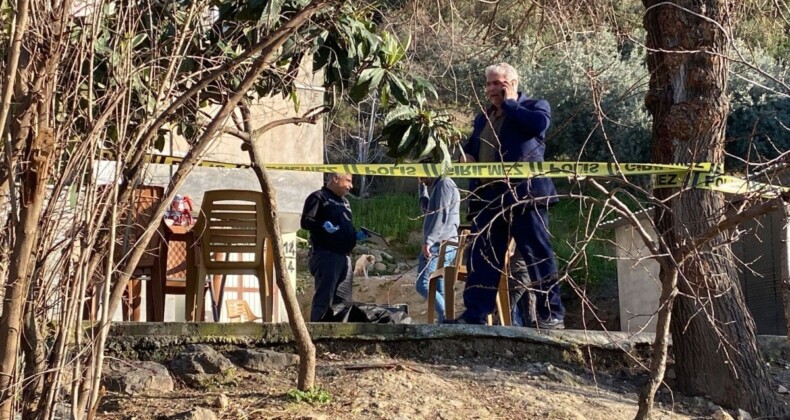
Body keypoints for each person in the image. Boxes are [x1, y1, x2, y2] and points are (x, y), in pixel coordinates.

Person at [454, 62, 565, 328]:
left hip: (525, 196)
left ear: (513, 83)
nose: (491, 89)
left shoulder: (535, 107)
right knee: (482, 258)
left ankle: (551, 314)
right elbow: (471, 148)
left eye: (498, 83)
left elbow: (538, 126)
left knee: (537, 255)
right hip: (488, 198)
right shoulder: (483, 117)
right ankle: (475, 315)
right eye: (489, 83)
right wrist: (466, 156)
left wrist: (511, 104)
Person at [300, 173, 366, 322]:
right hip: (326, 255)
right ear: (336, 179)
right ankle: (316, 334)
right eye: (348, 181)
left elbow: (344, 227)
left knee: (343, 302)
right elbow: (306, 222)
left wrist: (355, 236)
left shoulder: (345, 202)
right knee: (324, 297)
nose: (351, 186)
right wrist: (322, 226)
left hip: (345, 257)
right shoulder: (319, 197)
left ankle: (340, 337)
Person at [414, 173, 461, 322]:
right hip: (442, 243)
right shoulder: (437, 186)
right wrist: (422, 188)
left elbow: (442, 214)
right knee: (439, 289)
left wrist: (429, 241)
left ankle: (448, 320)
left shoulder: (444, 184)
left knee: (422, 284)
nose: (421, 179)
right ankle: (446, 326)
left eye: (422, 176)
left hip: (441, 244)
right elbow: (428, 210)